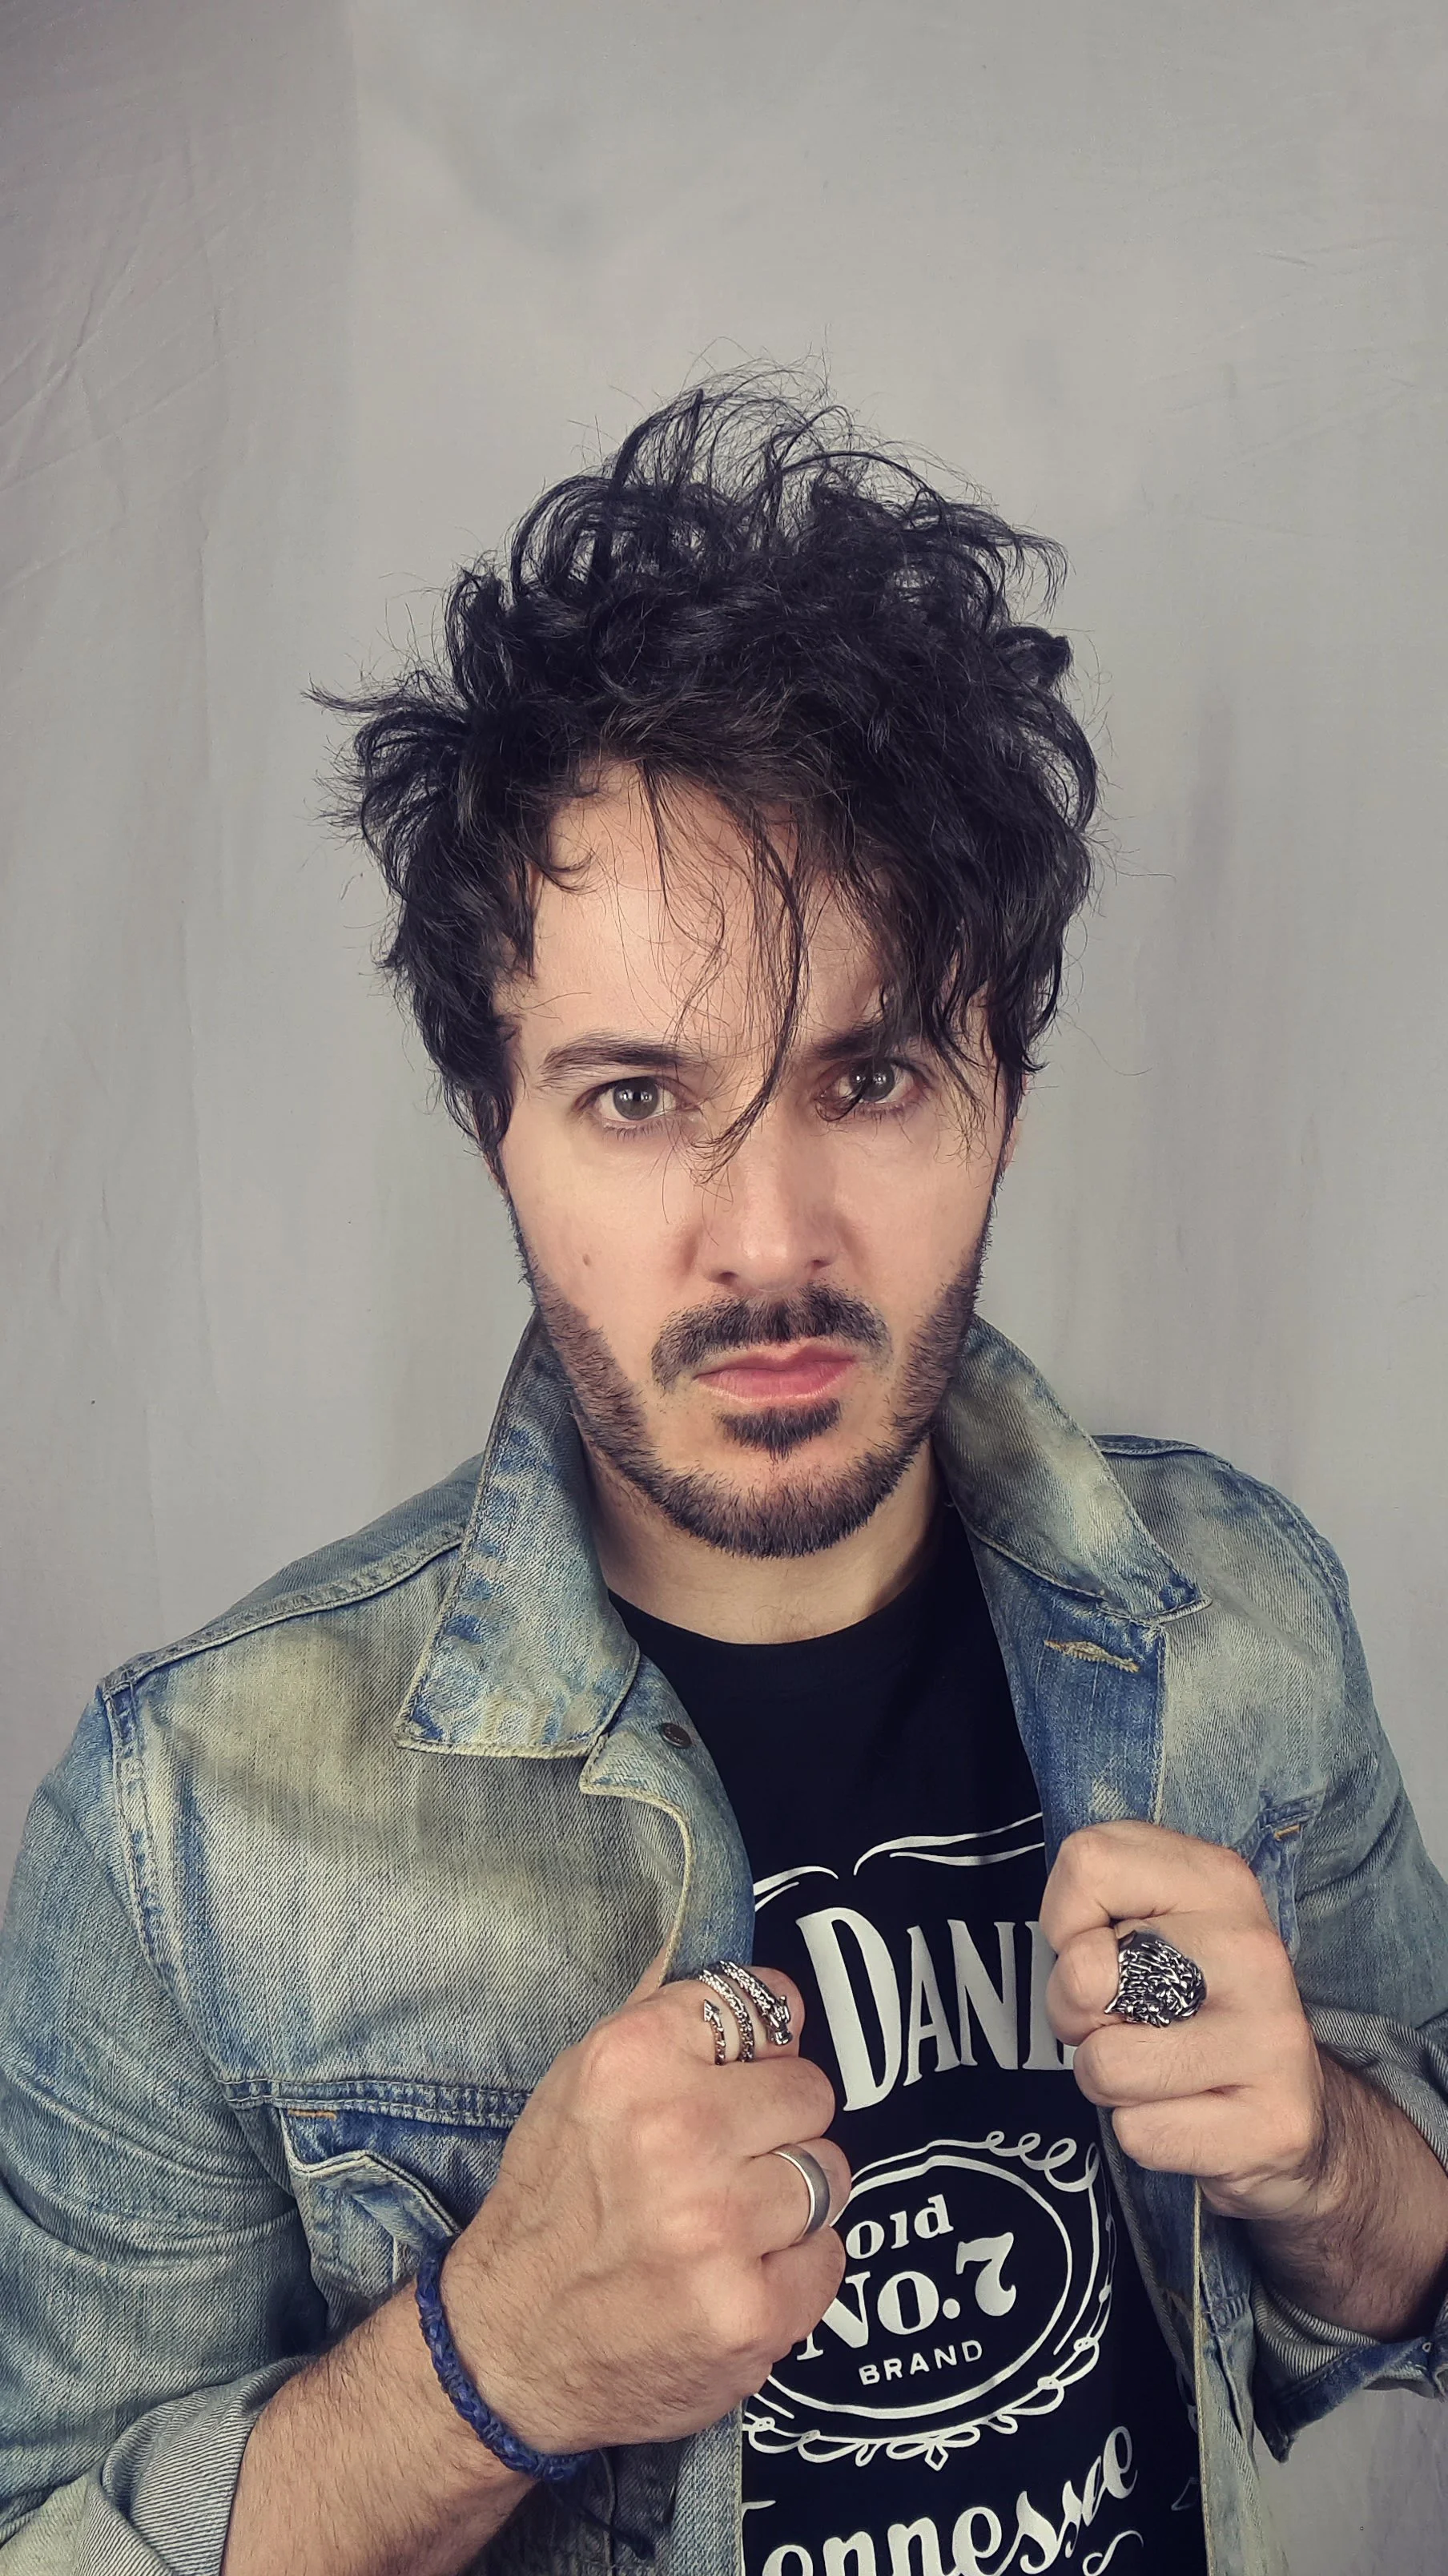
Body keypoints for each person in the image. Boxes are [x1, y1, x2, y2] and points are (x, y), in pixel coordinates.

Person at [2, 382, 1447, 2576]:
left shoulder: (1244, 1612)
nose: (767, 1244)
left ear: (1006, 1091)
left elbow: (1413, 2258)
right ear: (491, 1118)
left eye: (871, 1077)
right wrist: (486, 2367)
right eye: (635, 1097)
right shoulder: (188, 1822)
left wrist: (1327, 2161)